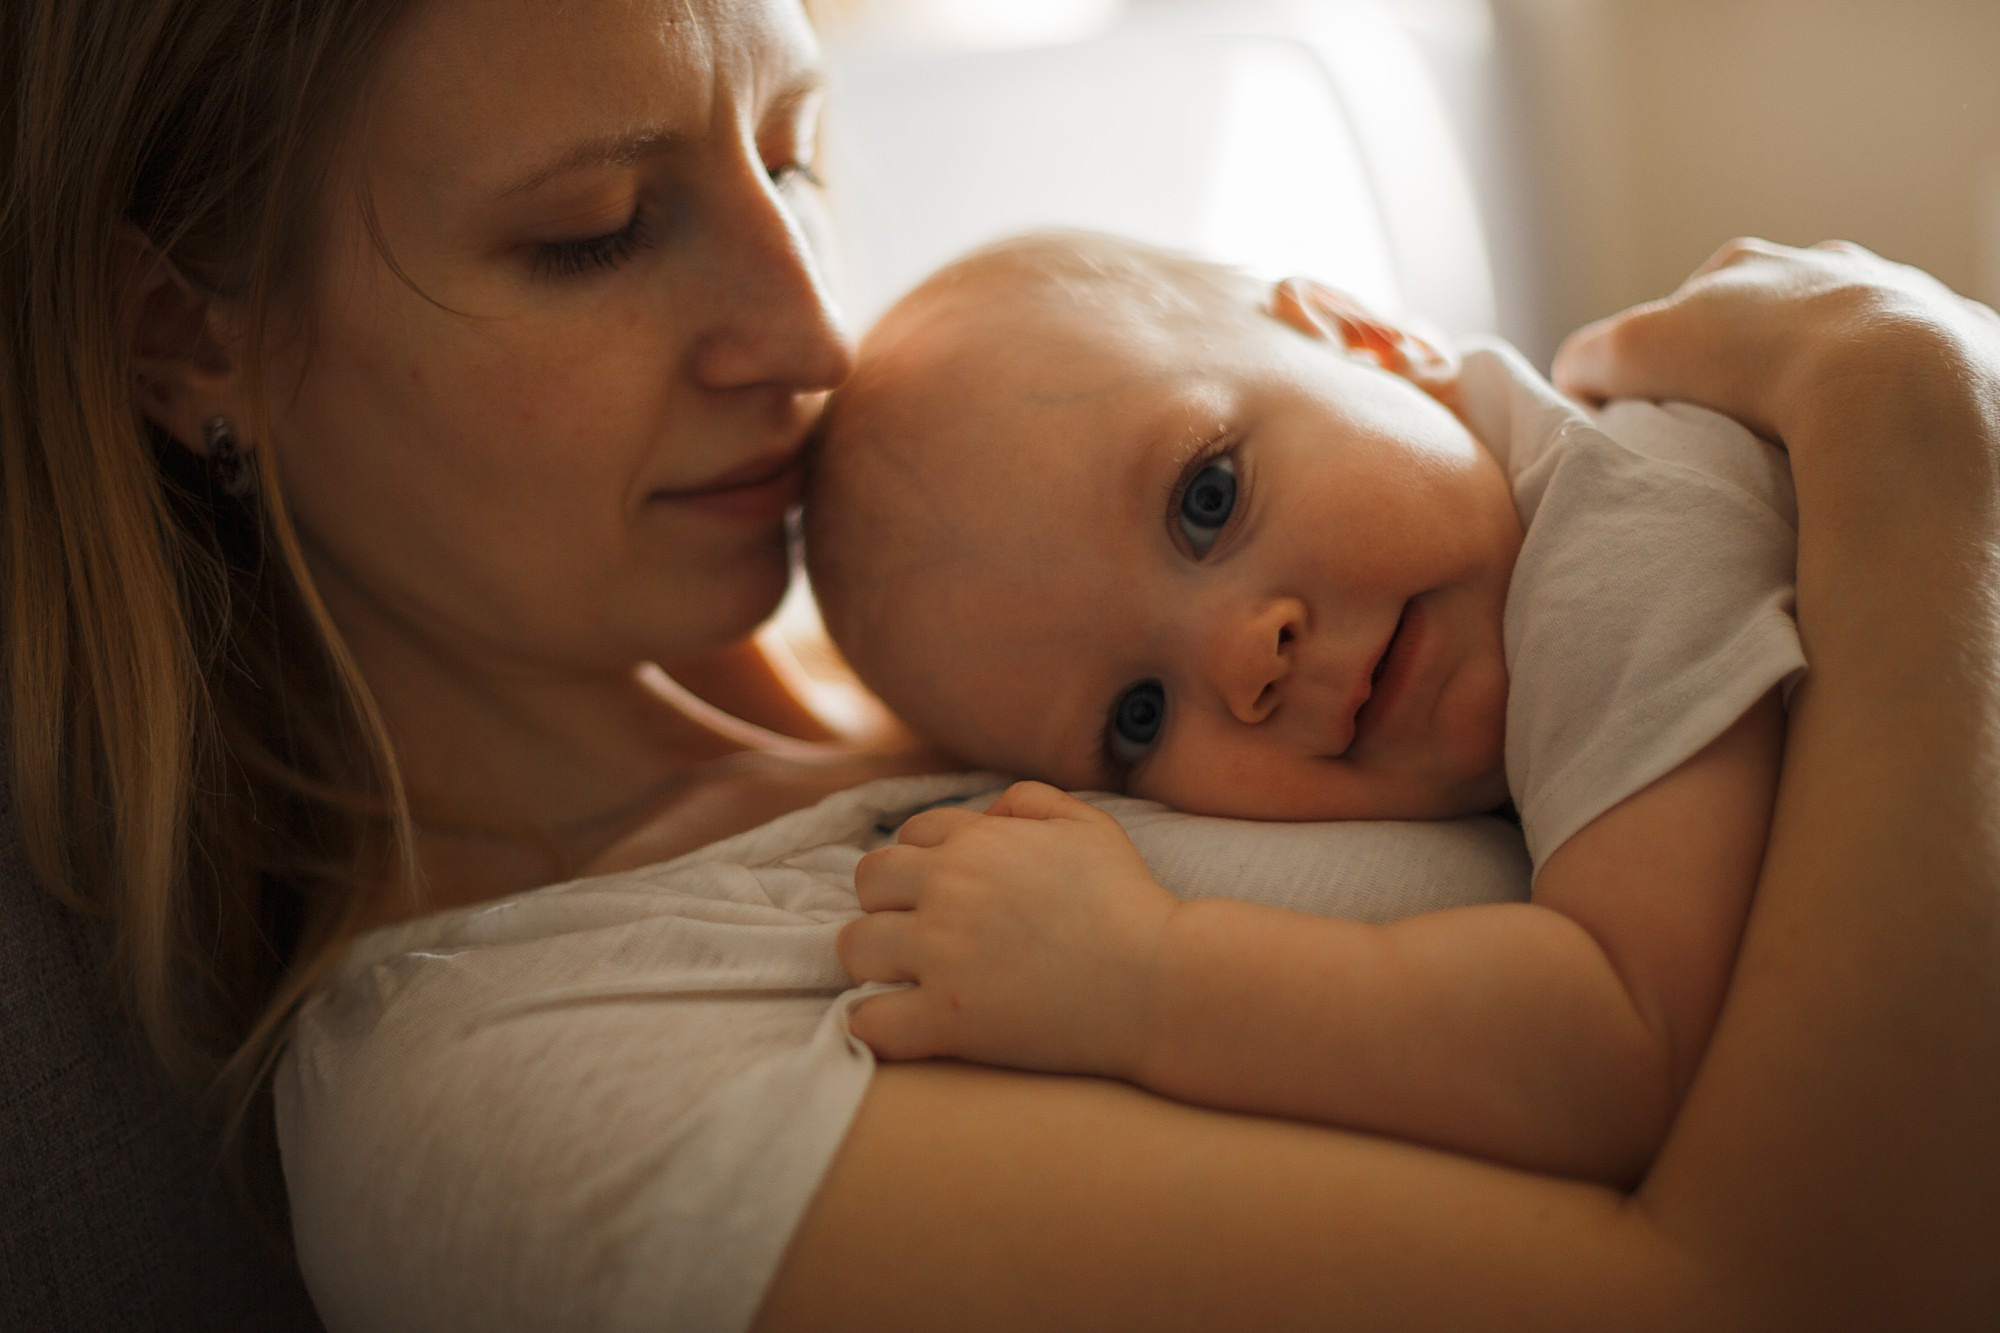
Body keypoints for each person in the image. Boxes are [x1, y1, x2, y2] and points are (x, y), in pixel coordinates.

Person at [3, 0, 1994, 1325]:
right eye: (595, 231)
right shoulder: (511, 1099)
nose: (809, 328)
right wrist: (1920, 449)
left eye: (793, 152)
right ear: (193, 336)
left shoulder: (985, 628)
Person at [805, 230, 1799, 1186]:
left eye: (1207, 500)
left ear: (1365, 334)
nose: (1245, 660)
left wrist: (1140, 974)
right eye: (1139, 717)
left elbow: (1609, 1058)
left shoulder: (1625, 537)